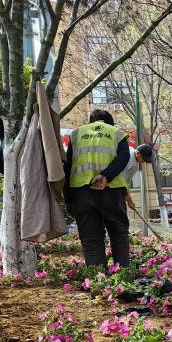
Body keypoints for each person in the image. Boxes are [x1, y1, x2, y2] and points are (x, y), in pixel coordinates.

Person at [64, 109, 131, 269]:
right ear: (109, 122)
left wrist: (68, 199)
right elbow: (124, 157)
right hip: (112, 192)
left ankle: (97, 279)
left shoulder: (76, 134)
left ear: (90, 121)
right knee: (118, 234)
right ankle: (123, 275)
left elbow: (67, 166)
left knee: (91, 238)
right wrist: (106, 175)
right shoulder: (117, 133)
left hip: (81, 193)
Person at [119, 143, 154, 210]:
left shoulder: (129, 149)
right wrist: (130, 201)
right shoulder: (133, 165)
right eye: (143, 159)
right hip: (114, 189)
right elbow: (123, 185)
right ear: (138, 153)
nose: (144, 161)